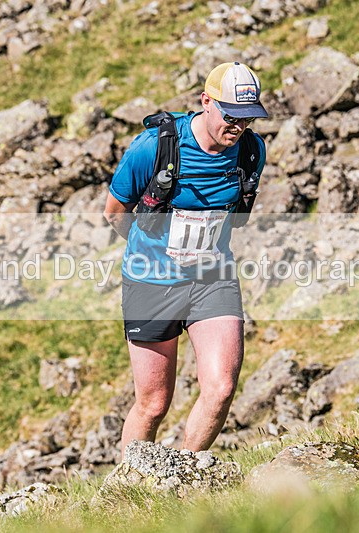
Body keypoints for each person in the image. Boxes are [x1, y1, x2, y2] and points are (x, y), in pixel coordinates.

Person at [103, 62, 268, 454]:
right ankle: (130, 492)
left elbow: (238, 217)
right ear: (205, 102)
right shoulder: (155, 147)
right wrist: (151, 249)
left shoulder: (251, 151)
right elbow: (114, 212)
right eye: (231, 115)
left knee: (222, 388)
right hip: (151, 282)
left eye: (248, 118)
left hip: (212, 279)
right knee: (154, 403)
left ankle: (183, 482)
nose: (238, 126)